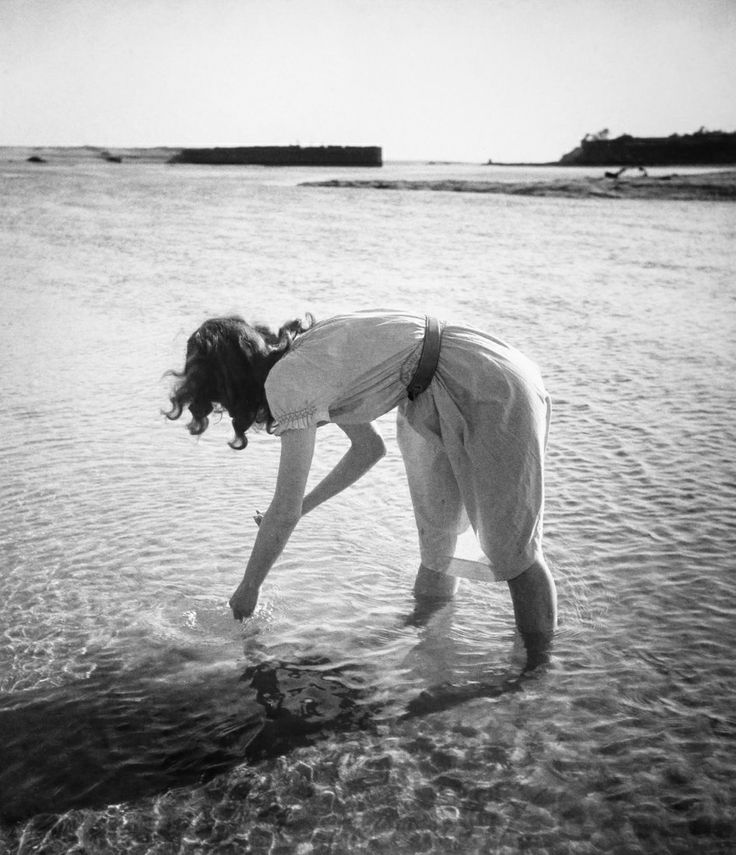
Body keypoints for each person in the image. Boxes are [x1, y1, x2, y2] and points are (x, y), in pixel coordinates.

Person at [165, 309, 557, 668]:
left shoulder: (288, 380)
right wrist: (302, 505)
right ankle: (426, 641)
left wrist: (248, 588)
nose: (227, 411)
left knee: (513, 551)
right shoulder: (300, 369)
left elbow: (283, 510)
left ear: (229, 383)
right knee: (438, 548)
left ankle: (536, 674)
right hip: (426, 393)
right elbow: (369, 449)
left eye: (219, 400)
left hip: (482, 379)